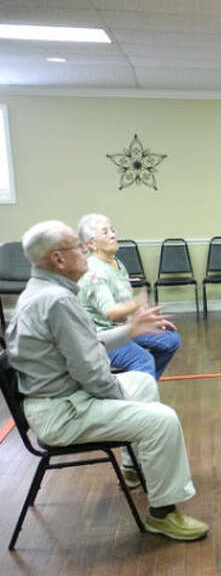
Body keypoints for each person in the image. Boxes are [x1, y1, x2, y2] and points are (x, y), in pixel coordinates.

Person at [5, 221, 207, 541]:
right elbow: (92, 374)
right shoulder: (56, 300)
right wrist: (117, 397)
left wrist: (131, 330)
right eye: (78, 246)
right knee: (162, 420)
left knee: (142, 381)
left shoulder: (47, 291)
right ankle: (163, 513)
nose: (86, 250)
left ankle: (134, 467)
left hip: (63, 401)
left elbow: (88, 340)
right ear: (58, 259)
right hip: (62, 413)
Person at [76, 213, 180, 380]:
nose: (113, 235)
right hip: (101, 339)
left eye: (112, 230)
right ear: (91, 244)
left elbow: (123, 303)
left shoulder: (116, 263)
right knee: (143, 360)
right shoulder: (94, 272)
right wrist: (137, 303)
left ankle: (140, 384)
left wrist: (144, 316)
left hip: (123, 328)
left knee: (170, 340)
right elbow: (111, 312)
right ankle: (137, 393)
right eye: (105, 232)